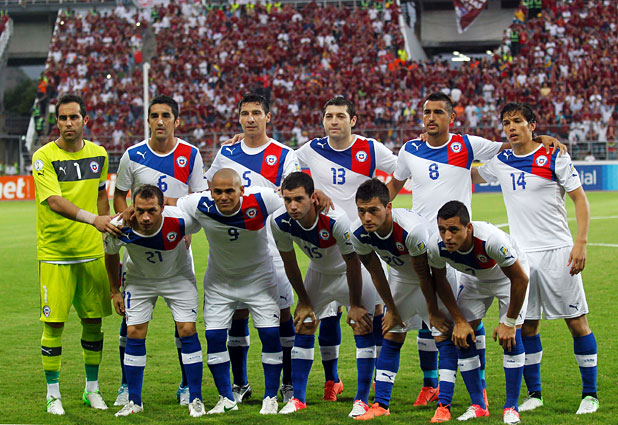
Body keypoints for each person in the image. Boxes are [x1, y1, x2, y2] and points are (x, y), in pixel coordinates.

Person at [386, 92, 563, 416]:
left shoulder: (467, 145)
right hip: (424, 243)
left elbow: (509, 143)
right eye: (426, 112)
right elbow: (393, 188)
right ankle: (431, 384)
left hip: (459, 247)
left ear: (451, 117)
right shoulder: (409, 149)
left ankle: (477, 389)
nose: (431, 117)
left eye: (438, 112)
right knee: (430, 317)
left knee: (463, 320)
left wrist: (540, 139)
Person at [473, 102, 598, 415]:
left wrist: (580, 242)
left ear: (532, 125)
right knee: (527, 326)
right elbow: (472, 174)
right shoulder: (501, 161)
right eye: (506, 123)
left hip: (558, 251)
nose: (511, 127)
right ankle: (535, 394)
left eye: (517, 121)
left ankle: (590, 395)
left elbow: (580, 199)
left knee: (577, 322)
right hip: (522, 257)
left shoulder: (554, 156)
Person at [295, 96, 399, 407]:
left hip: (365, 244)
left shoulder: (370, 148)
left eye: (340, 116)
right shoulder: (310, 150)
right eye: (329, 116)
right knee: (328, 315)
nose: (334, 121)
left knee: (372, 314)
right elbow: (284, 168)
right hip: (326, 246)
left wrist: (382, 202)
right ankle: (332, 380)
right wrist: (312, 190)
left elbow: (404, 168)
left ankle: (375, 380)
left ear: (353, 120)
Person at [112, 94, 208, 407]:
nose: (160, 121)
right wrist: (127, 219)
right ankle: (126, 386)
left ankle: (186, 385)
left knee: (184, 324)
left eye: (166, 115)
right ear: (148, 121)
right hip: (139, 248)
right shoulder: (132, 155)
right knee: (131, 323)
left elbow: (198, 198)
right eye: (154, 116)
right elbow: (119, 195)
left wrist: (185, 229)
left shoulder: (190, 154)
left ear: (176, 121)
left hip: (177, 247)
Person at [205, 93, 298, 403]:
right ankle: (241, 383)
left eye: (257, 112)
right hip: (236, 250)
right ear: (239, 117)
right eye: (245, 113)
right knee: (238, 314)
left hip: (273, 248)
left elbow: (290, 197)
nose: (250, 118)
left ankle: (287, 382)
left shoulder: (284, 154)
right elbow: (209, 189)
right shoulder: (226, 152)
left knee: (282, 315)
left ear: (267, 117)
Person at [32, 93, 121, 415]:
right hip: (56, 253)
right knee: (54, 325)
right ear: (57, 122)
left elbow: (101, 196)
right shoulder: (43, 156)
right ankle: (52, 394)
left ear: (85, 120)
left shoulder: (99, 154)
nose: (68, 123)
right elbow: (55, 202)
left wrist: (106, 230)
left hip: (91, 252)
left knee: (93, 322)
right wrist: (94, 220)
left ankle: (91, 389)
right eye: (62, 118)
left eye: (73, 117)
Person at [175, 168, 285, 415]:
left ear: (241, 190)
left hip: (260, 280)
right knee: (214, 338)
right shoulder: (199, 203)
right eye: (218, 192)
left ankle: (270, 397)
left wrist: (316, 195)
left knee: (270, 335)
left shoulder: (263, 199)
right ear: (210, 191)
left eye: (229, 191)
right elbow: (170, 209)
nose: (223, 197)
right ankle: (226, 398)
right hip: (220, 283)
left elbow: (294, 203)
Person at [270, 172, 377, 417]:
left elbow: (352, 262)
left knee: (362, 326)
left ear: (313, 198)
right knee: (304, 323)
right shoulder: (279, 221)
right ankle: (298, 399)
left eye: (299, 199)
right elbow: (290, 262)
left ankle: (361, 400)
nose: (292, 206)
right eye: (287, 200)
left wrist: (355, 304)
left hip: (350, 273)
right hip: (318, 273)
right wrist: (304, 301)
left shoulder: (335, 219)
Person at [104, 185, 205, 417]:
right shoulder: (119, 226)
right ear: (133, 208)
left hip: (178, 278)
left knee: (187, 329)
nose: (146, 217)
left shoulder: (180, 219)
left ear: (162, 208)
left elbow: (207, 219)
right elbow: (110, 255)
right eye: (140, 211)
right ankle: (134, 401)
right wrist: (115, 290)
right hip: (140, 280)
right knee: (134, 332)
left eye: (152, 210)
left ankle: (195, 398)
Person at [427, 201, 529, 424]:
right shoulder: (436, 246)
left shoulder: (491, 241)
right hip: (474, 280)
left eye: (454, 229)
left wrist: (509, 322)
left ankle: (511, 407)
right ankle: (478, 405)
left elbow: (520, 279)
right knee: (461, 336)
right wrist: (459, 320)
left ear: (469, 228)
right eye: (442, 229)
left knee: (511, 338)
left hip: (507, 279)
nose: (447, 236)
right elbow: (440, 280)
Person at [349, 179, 438, 420]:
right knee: (392, 331)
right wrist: (393, 310)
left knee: (446, 332)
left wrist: (433, 311)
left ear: (388, 207)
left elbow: (424, 274)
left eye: (373, 210)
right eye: (361, 211)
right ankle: (381, 404)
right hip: (400, 275)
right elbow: (376, 272)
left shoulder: (411, 230)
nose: (366, 217)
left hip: (434, 275)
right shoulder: (357, 233)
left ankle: (469, 397)